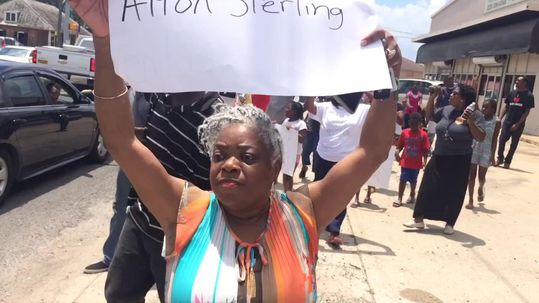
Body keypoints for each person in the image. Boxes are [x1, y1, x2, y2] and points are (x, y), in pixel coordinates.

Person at [69, 3, 402, 301]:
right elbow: (121, 142)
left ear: (275, 168)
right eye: (218, 155)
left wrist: (385, 80)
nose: (228, 164)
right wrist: (105, 40)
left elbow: (372, 152)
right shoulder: (186, 212)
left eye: (247, 156)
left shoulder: (304, 215)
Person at [403, 84, 486, 235]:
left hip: (460, 159)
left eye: (454, 94)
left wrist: (471, 122)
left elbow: (480, 137)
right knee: (428, 186)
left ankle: (450, 223)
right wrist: (433, 98)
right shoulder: (447, 109)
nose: (450, 95)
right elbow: (429, 117)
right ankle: (418, 220)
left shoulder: (476, 114)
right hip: (440, 155)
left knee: (454, 191)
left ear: (462, 98)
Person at [84, 92, 151, 274]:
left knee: (157, 209)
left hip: (158, 160)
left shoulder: (166, 90)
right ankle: (111, 258)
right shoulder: (134, 90)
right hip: (130, 159)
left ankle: (154, 262)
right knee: (121, 207)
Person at [305, 93, 372, 246]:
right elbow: (310, 107)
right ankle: (311, 224)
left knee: (340, 196)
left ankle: (334, 231)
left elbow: (380, 111)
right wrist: (311, 91)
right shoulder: (325, 107)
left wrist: (372, 94)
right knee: (317, 192)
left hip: (346, 161)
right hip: (323, 156)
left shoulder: (362, 109)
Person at [467, 99, 501, 209]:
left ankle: (481, 187)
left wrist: (493, 155)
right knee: (471, 175)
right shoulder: (478, 117)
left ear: (493, 109)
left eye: (487, 107)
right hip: (474, 148)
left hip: (486, 150)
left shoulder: (497, 121)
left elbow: (495, 139)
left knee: (481, 176)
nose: (483, 109)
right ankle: (471, 199)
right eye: (483, 107)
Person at [495, 76, 535, 169]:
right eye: (516, 80)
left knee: (513, 144)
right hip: (507, 122)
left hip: (518, 124)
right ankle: (500, 158)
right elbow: (506, 107)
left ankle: (508, 161)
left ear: (524, 83)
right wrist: (500, 118)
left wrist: (517, 124)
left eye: (518, 81)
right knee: (501, 140)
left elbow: (526, 112)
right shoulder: (512, 93)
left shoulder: (529, 95)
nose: (516, 82)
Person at [394, 112, 430, 207]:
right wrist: (397, 152)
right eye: (412, 123)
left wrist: (425, 163)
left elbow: (425, 151)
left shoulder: (423, 135)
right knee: (403, 179)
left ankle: (412, 194)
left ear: (419, 123)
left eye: (416, 124)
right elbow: (399, 146)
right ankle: (399, 198)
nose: (413, 126)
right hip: (405, 162)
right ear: (409, 122)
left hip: (416, 163)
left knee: (413, 181)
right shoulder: (404, 132)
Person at [281, 101, 307, 192]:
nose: (285, 110)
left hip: (294, 154)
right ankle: (287, 192)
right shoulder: (286, 121)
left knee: (288, 175)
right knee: (285, 174)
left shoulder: (301, 124)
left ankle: (288, 193)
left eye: (288, 108)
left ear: (294, 111)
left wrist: (292, 131)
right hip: (285, 152)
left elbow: (302, 139)